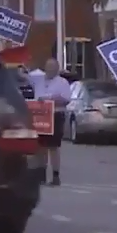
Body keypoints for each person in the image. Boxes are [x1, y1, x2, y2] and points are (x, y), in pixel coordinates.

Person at [30, 58, 71, 186]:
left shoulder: (62, 82)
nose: (50, 69)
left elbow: (66, 99)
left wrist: (50, 99)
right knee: (40, 147)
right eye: (48, 67)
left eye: (53, 67)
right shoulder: (39, 81)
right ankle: (41, 175)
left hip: (56, 115)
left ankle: (55, 176)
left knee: (53, 147)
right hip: (40, 116)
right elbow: (23, 78)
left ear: (57, 68)